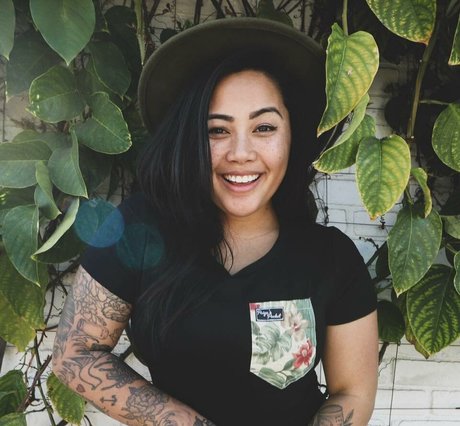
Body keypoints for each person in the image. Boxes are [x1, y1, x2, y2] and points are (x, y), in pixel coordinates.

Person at [52, 17, 378, 426]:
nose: (240, 153)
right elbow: (75, 353)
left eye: (264, 127)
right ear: (189, 139)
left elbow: (352, 391)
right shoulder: (140, 229)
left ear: (292, 137)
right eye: (217, 130)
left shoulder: (330, 258)